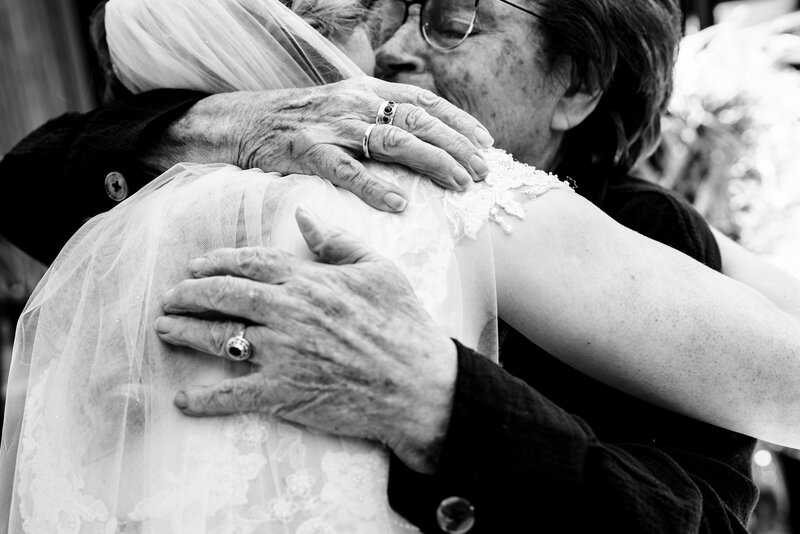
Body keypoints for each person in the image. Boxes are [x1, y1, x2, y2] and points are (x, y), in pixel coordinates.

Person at [1, 0, 800, 532]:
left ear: (577, 87)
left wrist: (447, 409)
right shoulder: (197, 181)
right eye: (391, 13)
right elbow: (25, 176)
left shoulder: (633, 231)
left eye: (456, 20)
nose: (396, 49)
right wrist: (217, 121)